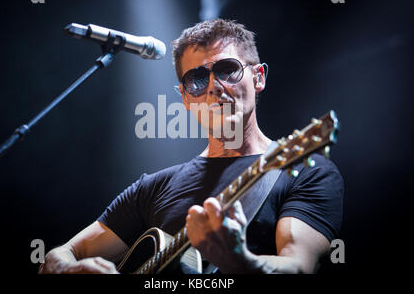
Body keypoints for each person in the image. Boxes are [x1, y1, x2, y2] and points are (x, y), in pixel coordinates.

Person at [39, 19, 343, 274]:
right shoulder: (152, 188)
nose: (213, 86)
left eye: (227, 69)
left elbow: (299, 266)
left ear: (258, 76)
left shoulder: (303, 171)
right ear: (185, 98)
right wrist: (66, 269)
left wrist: (242, 262)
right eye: (197, 79)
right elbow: (59, 255)